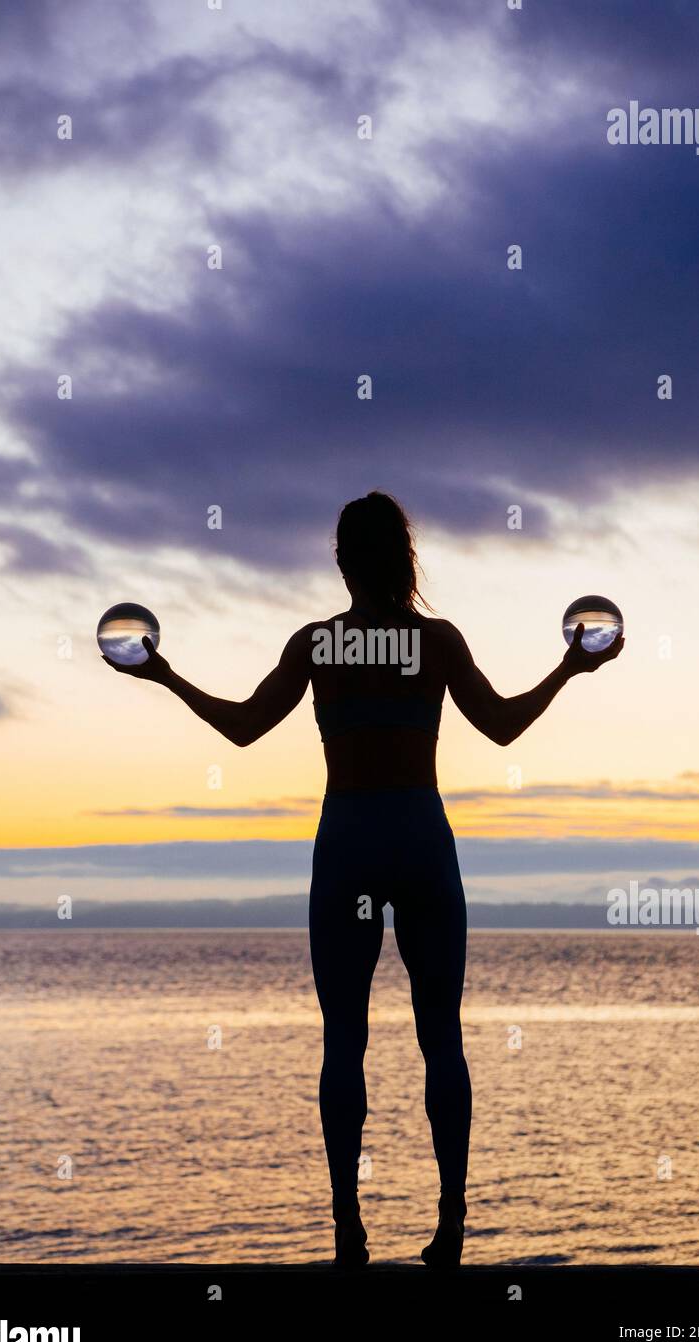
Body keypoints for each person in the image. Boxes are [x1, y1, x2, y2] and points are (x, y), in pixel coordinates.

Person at [103, 491, 624, 1268]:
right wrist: (570, 667)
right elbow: (506, 724)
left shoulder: (318, 644)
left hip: (348, 837)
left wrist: (165, 674)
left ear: (340, 559)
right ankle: (451, 1224)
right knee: (440, 1036)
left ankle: (348, 1225)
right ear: (406, 559)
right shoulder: (436, 640)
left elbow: (243, 728)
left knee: (343, 1040)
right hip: (419, 834)